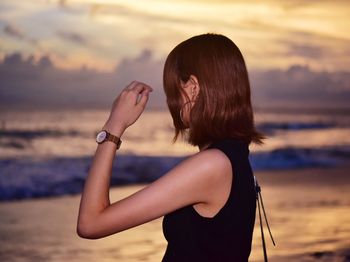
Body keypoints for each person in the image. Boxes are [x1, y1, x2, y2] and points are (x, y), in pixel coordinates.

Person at [77, 33, 265, 261]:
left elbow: (91, 223)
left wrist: (114, 125)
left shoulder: (212, 165)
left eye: (173, 90)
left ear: (193, 88)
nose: (170, 103)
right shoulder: (233, 156)